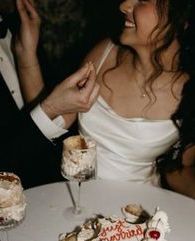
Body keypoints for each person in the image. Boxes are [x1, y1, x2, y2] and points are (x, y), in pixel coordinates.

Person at [17, 0, 195, 199]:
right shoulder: (104, 54)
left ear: (182, 18)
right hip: (77, 197)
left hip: (138, 213)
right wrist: (26, 54)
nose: (124, 5)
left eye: (142, 0)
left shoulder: (190, 92)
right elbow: (54, 120)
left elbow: (180, 169)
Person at [0, 0, 99, 225]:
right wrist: (50, 109)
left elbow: (45, 141)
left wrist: (28, 59)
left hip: (47, 204)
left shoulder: (20, 26)